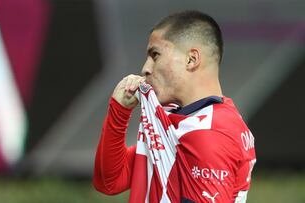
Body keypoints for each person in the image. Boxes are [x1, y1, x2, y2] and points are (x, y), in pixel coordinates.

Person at [93, 10, 256, 203]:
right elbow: (110, 181)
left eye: (155, 55)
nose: (145, 68)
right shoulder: (181, 119)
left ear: (191, 59)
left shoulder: (209, 132)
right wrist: (119, 112)